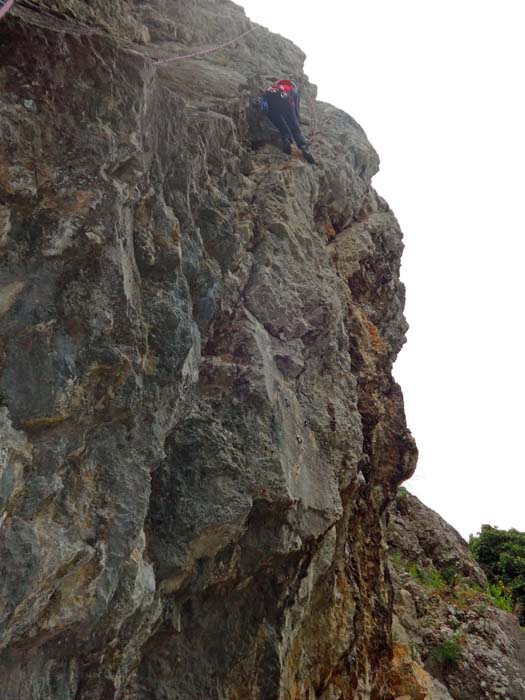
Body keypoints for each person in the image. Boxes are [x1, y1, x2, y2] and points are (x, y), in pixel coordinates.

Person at [260, 79, 315, 164]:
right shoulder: (291, 88)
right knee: (295, 129)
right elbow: (296, 109)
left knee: (282, 126)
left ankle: (286, 140)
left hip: (270, 106)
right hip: (284, 99)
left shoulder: (272, 88)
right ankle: (303, 147)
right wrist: (297, 121)